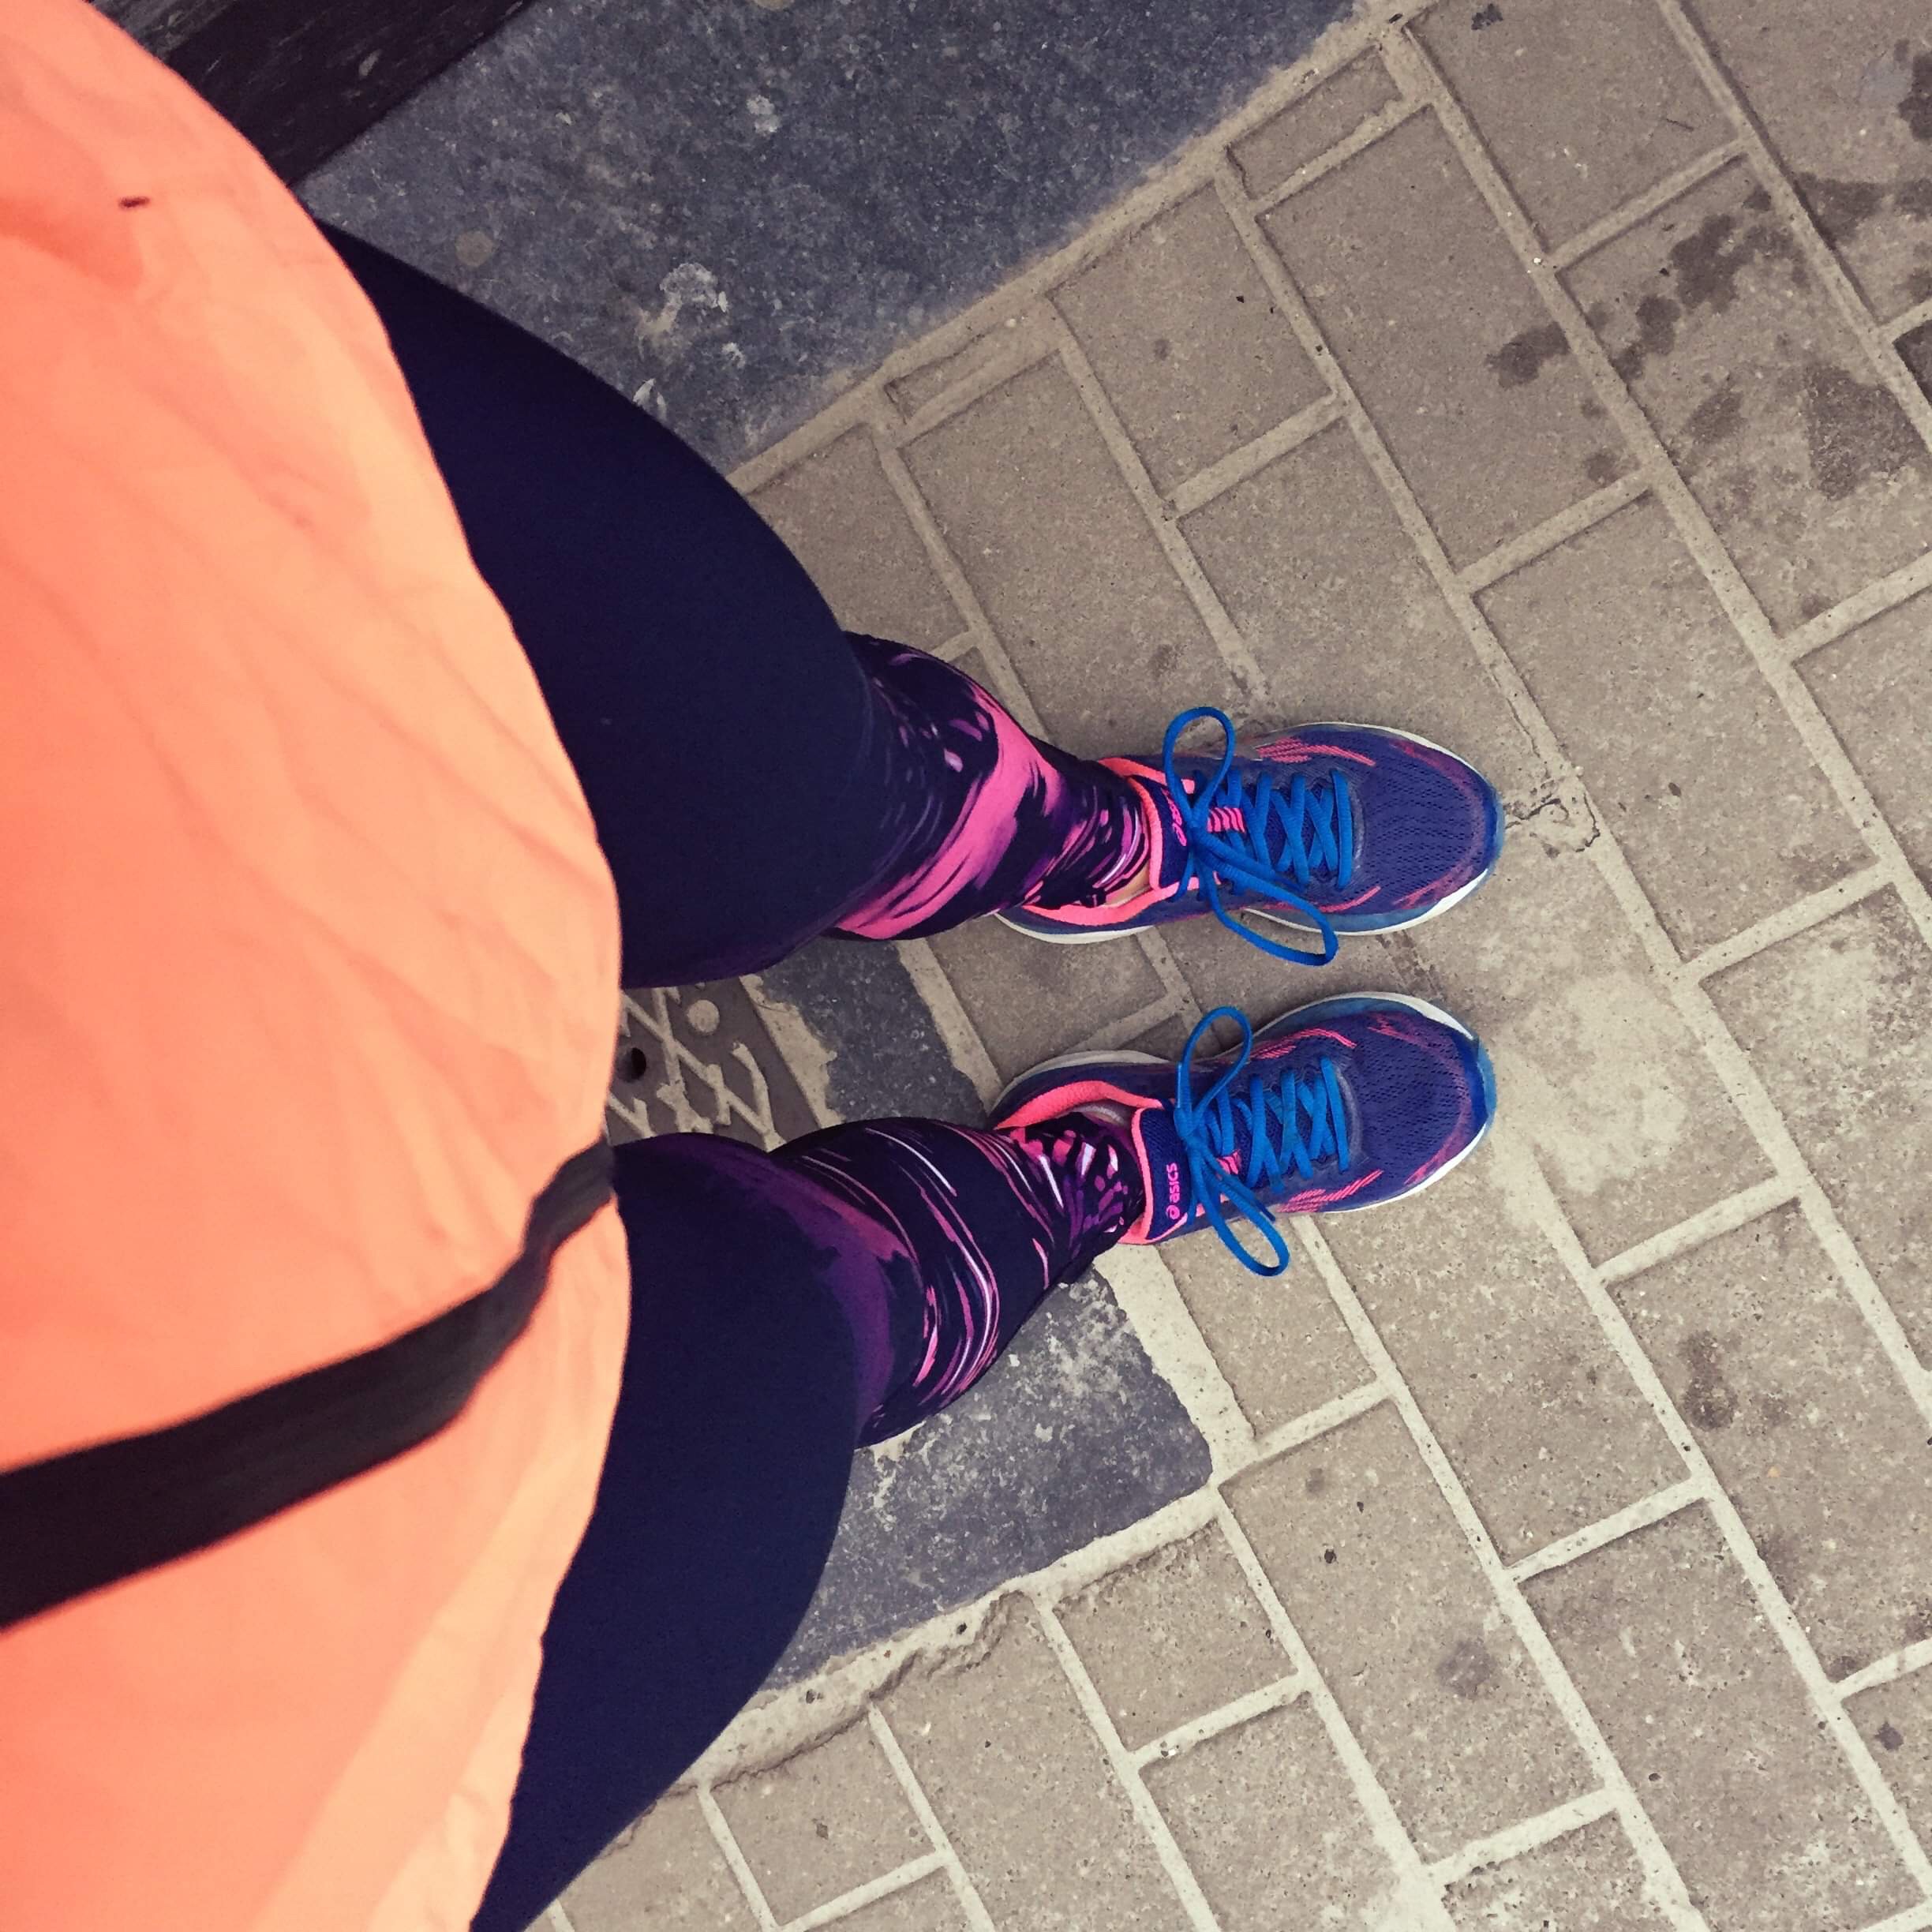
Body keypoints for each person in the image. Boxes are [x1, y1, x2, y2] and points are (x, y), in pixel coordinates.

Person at [0, 5, 1498, 1928]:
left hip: (95, 527)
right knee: (776, 1379)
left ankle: (1055, 842)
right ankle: (1071, 1178)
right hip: (189, 1770)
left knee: (769, 780)